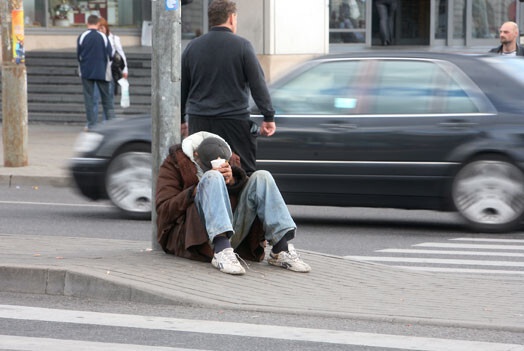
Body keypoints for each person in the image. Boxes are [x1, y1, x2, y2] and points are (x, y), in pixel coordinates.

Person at [155, 132, 311, 275]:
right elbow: (163, 209)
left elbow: (249, 198)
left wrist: (233, 181)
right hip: (194, 238)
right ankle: (221, 249)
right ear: (196, 156)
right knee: (212, 177)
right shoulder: (175, 163)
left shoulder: (232, 159)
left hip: (233, 233)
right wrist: (195, 190)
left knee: (263, 176)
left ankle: (280, 249)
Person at [181, 0, 275, 175]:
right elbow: (258, 84)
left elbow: (182, 88)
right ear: (232, 18)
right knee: (241, 173)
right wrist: (268, 116)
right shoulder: (242, 46)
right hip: (233, 122)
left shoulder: (192, 47)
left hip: (199, 121)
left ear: (211, 20)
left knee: (202, 172)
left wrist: (182, 120)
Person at [77, 15, 115, 130]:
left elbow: (79, 55)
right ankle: (111, 124)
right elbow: (110, 53)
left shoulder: (82, 36)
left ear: (87, 23)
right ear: (98, 24)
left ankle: (91, 124)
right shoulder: (103, 36)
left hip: (86, 72)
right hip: (101, 71)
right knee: (106, 99)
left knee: (89, 99)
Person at [93, 17, 129, 122]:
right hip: (97, 71)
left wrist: (125, 70)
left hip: (110, 72)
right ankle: (93, 122)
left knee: (108, 98)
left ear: (106, 28)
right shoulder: (95, 39)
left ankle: (107, 121)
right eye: (98, 29)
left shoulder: (114, 39)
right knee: (94, 98)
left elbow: (121, 55)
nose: (100, 31)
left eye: (102, 28)